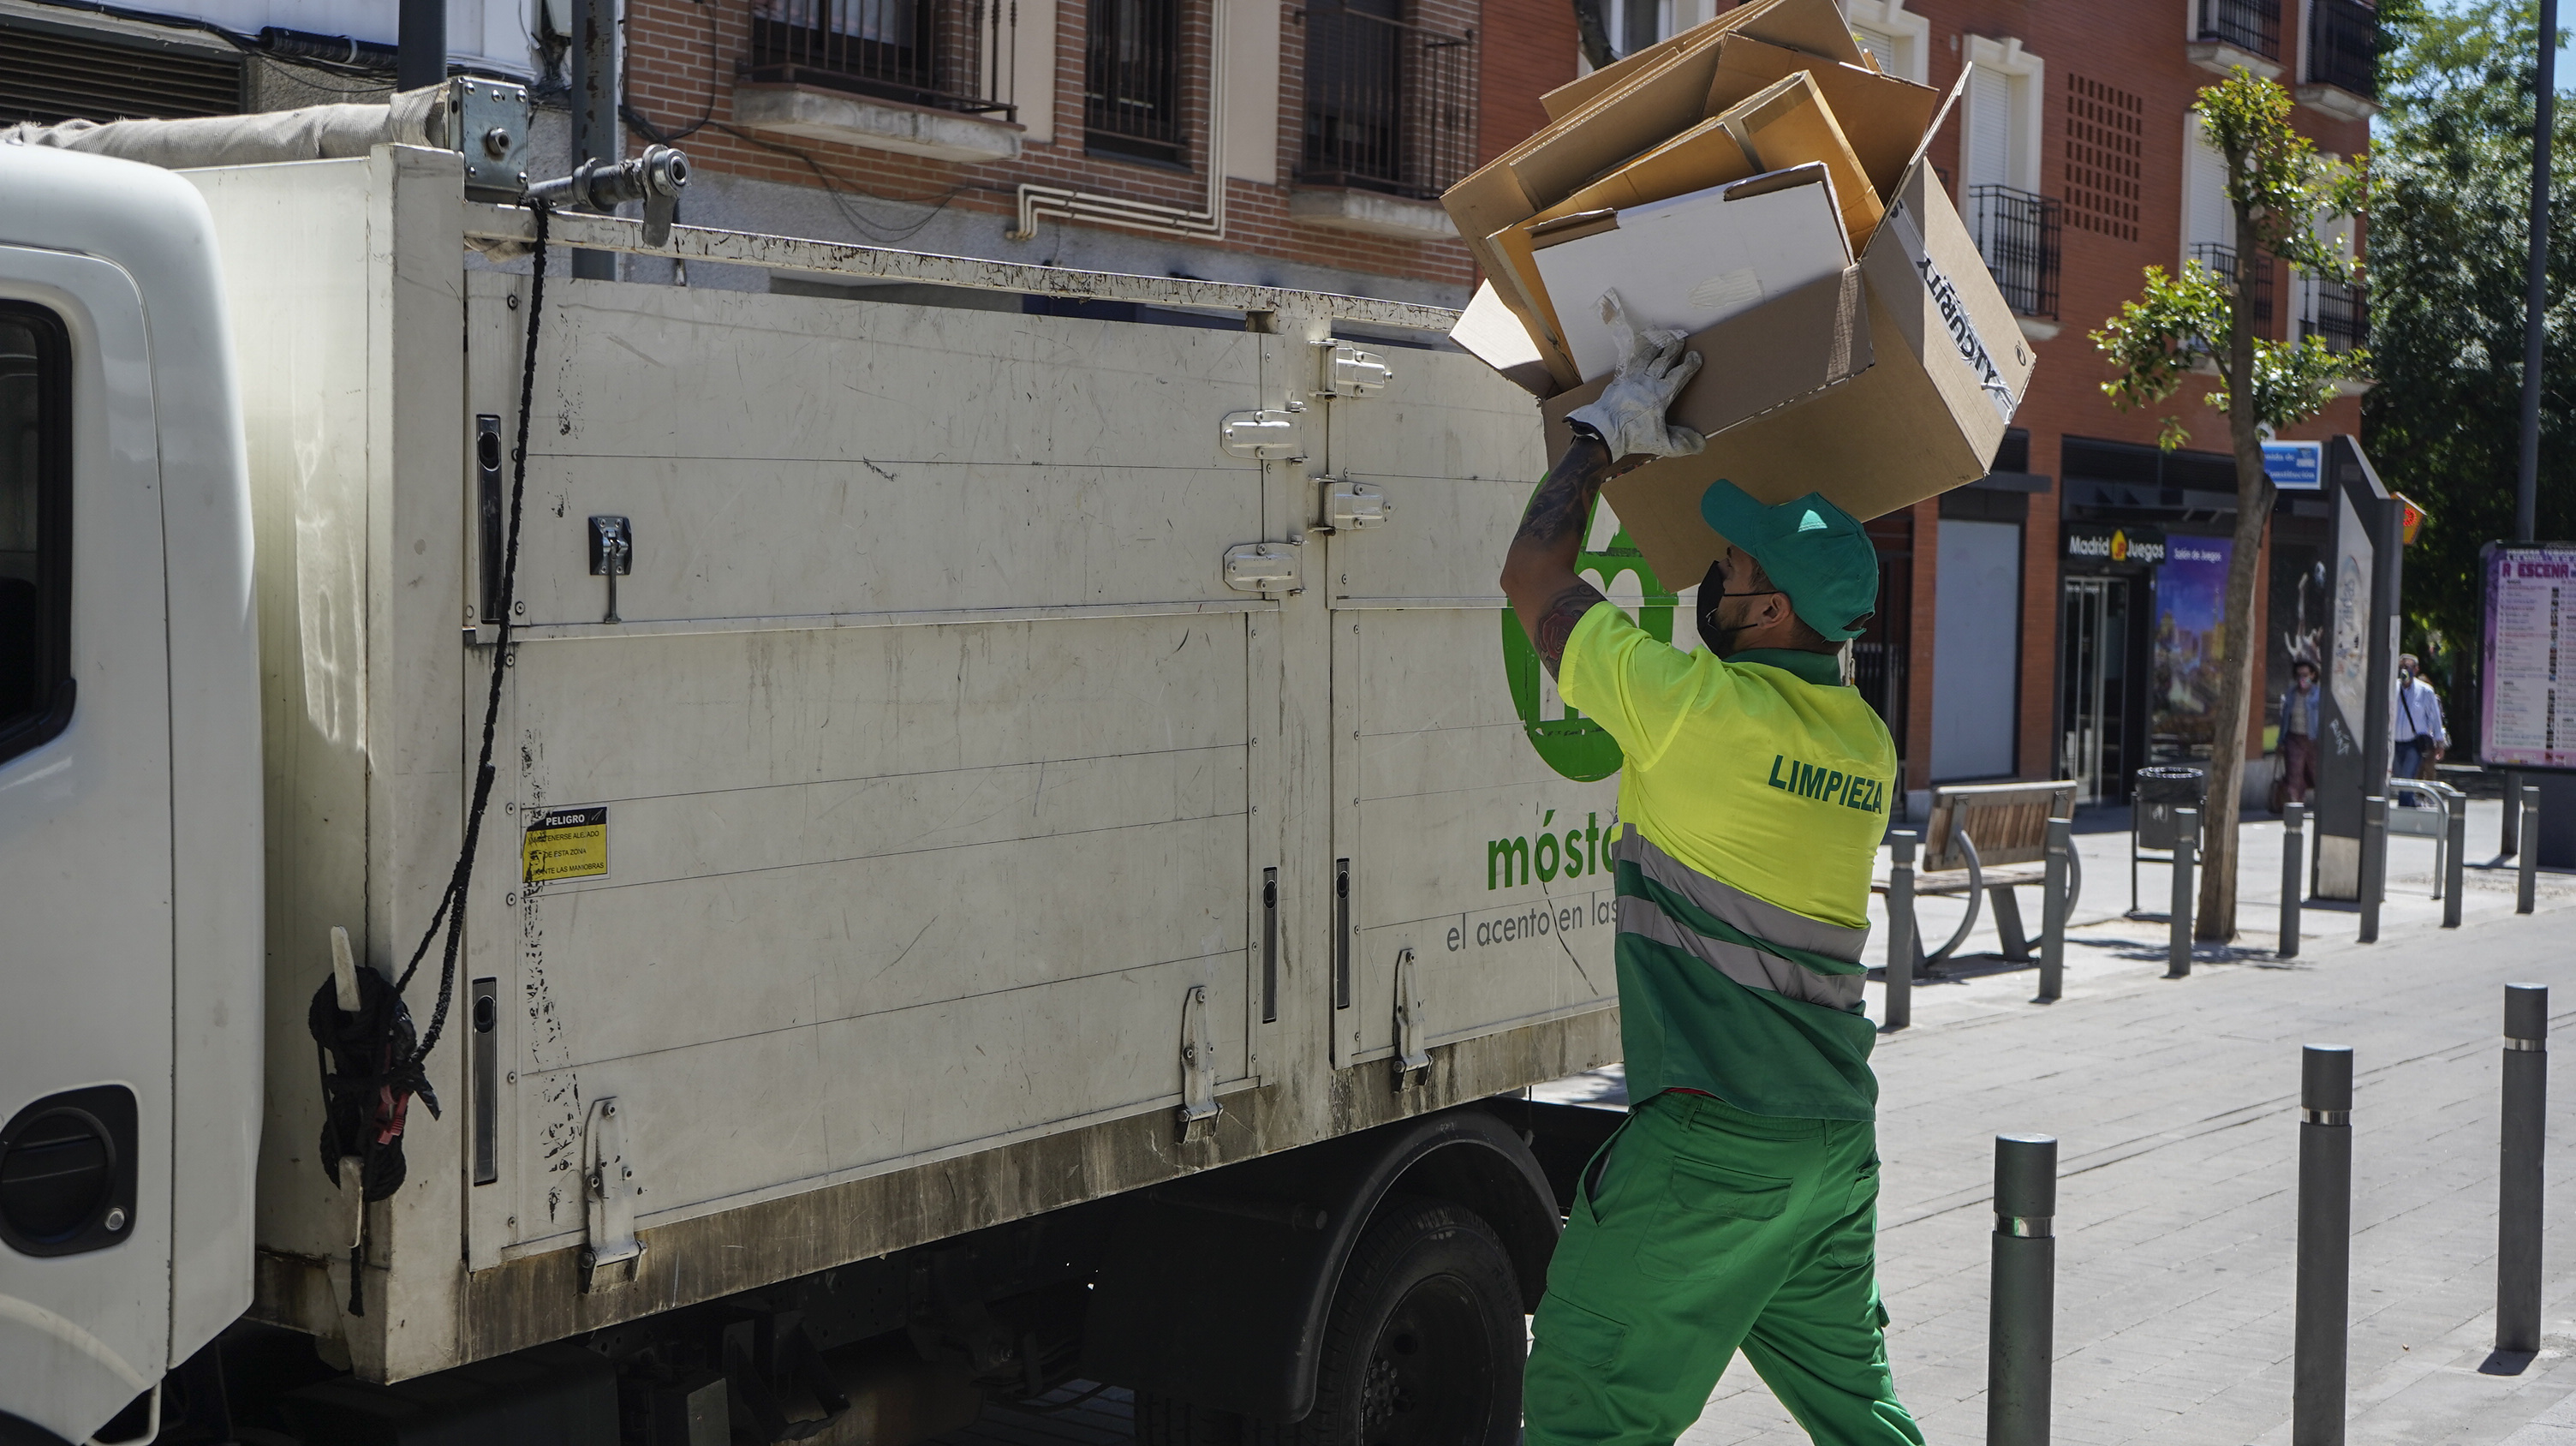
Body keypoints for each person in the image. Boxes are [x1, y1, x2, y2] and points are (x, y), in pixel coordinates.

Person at [1500, 301, 1917, 1446]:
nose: (1708, 583)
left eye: (1727, 572)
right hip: (1831, 1140)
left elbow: (1534, 574)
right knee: (1861, 1421)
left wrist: (1601, 436)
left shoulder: (1699, 717)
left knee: (1584, 1410)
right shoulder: (1863, 745)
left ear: (1771, 609)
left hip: (1712, 1144)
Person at [2393, 654, 2447, 781]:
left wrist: (2439, 742)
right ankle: (2409, 802)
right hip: (2394, 742)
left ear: (2416, 669)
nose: (2404, 670)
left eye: (2408, 666)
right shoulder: (2392, 687)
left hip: (2413, 743)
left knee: (2407, 778)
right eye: (2401, 666)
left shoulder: (2425, 691)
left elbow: (2435, 718)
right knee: (2400, 779)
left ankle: (2406, 801)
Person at [2275, 658, 2321, 809]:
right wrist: (2281, 741)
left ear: (2313, 675)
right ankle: (2295, 807)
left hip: (2313, 740)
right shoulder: (2291, 694)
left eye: (2306, 675)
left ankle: (2322, 807)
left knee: (2316, 774)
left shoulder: (2318, 695)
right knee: (2294, 775)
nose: (2303, 679)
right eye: (2299, 675)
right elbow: (2284, 719)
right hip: (2294, 738)